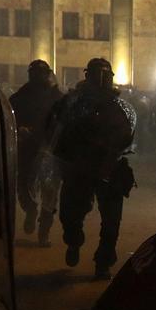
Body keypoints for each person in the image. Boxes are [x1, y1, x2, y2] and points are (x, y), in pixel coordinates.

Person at [50, 57, 136, 278]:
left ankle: (103, 261)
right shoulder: (73, 102)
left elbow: (129, 136)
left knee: (111, 221)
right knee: (71, 215)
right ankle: (74, 241)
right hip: (80, 166)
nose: (101, 80)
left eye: (104, 75)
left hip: (108, 167)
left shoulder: (120, 106)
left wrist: (113, 148)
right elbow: (57, 127)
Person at [11, 59, 64, 246]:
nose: (38, 77)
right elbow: (10, 117)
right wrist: (20, 128)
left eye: (42, 73)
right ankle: (31, 210)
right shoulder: (21, 96)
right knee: (24, 188)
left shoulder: (57, 97)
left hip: (50, 151)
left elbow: (65, 122)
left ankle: (44, 231)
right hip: (28, 150)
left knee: (50, 194)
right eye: (35, 73)